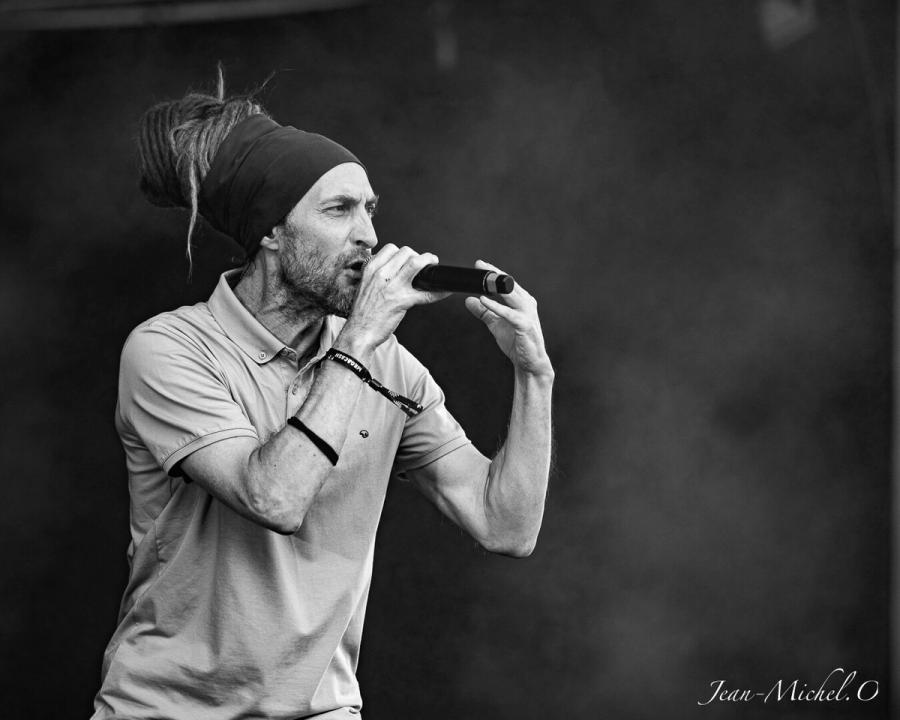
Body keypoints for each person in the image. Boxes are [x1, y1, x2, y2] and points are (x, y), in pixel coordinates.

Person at [91, 75, 554, 720]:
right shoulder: (169, 349)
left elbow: (506, 526)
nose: (368, 235)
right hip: (168, 709)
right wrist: (359, 338)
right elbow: (273, 497)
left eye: (370, 210)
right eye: (339, 210)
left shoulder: (386, 364)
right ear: (271, 232)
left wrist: (534, 375)